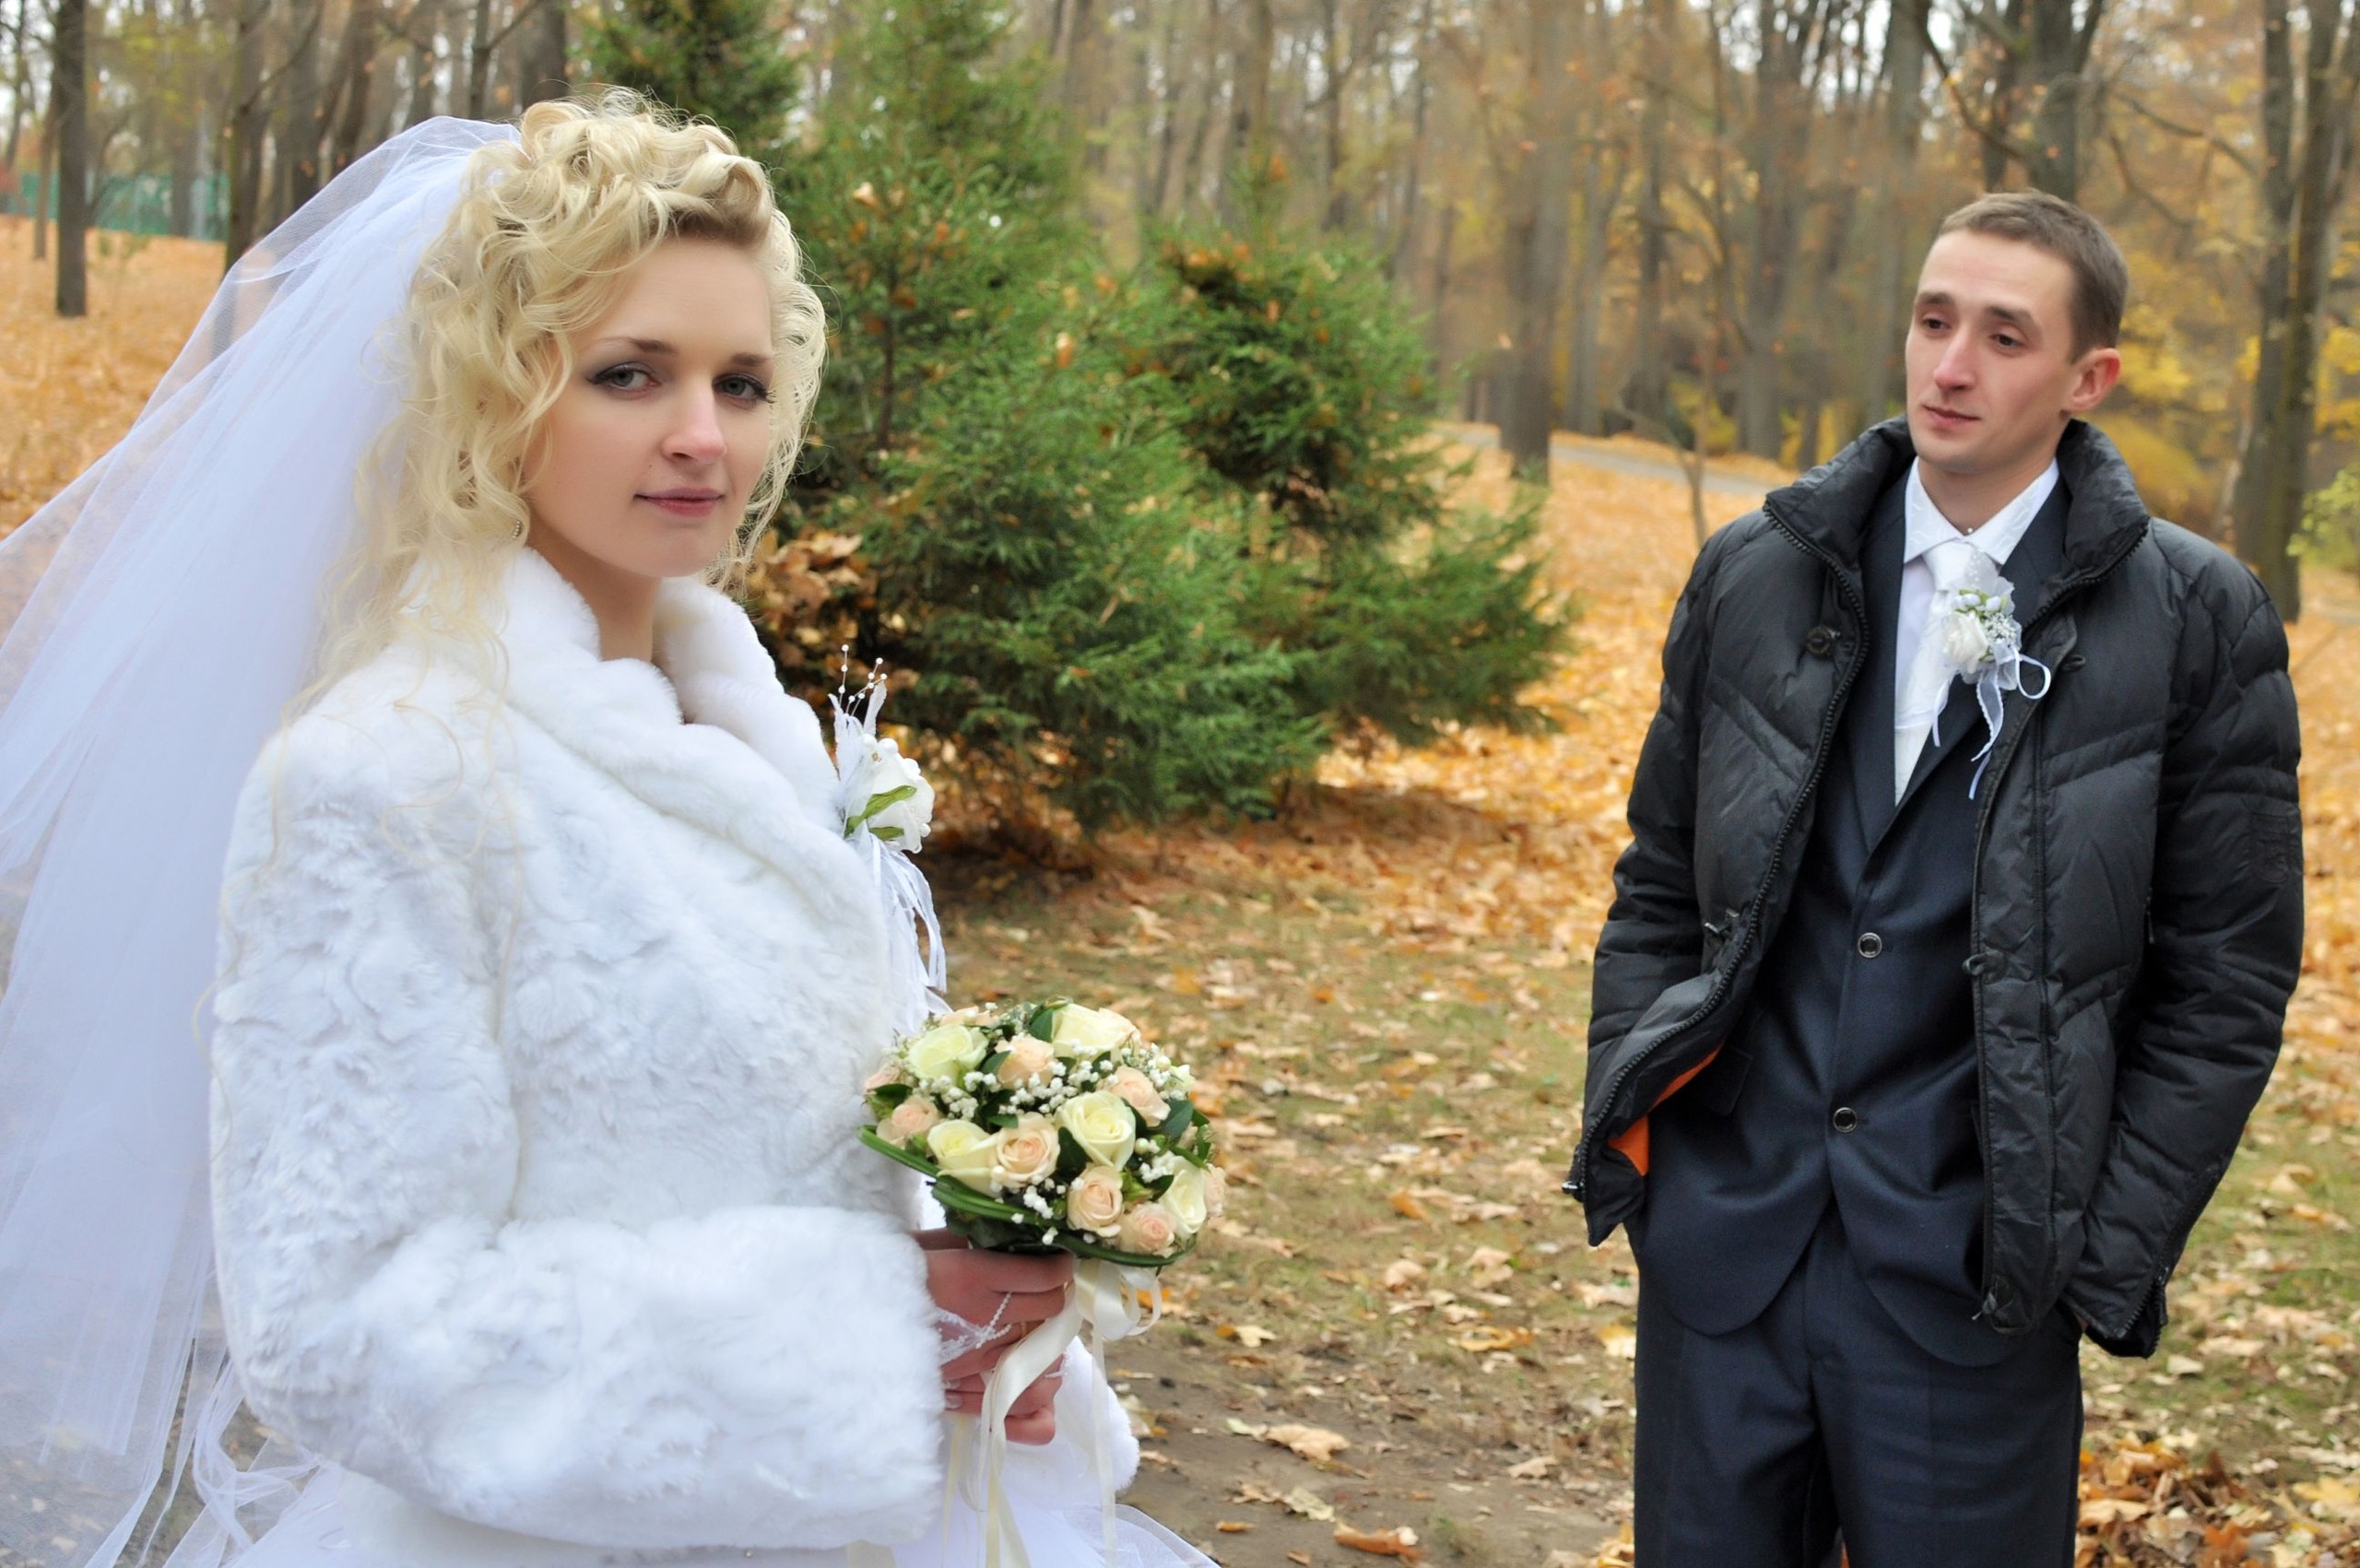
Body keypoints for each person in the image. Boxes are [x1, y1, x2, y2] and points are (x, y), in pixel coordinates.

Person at [0, 97, 1211, 1568]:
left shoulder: (758, 741)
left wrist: (988, 1282)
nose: (703, 434)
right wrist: (878, 1337)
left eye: (742, 383)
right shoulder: (389, 779)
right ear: (498, 394)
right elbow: (338, 1323)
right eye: (631, 374)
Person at [1564, 192, 2303, 1565]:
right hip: (1724, 1256)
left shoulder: (2197, 618)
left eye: (2004, 336)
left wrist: (2089, 1255)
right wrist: (1648, 1142)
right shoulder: (1757, 571)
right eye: (1933, 319)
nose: (1951, 365)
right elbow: (1659, 879)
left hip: (1979, 1290)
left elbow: (2228, 982)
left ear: (2089, 379)